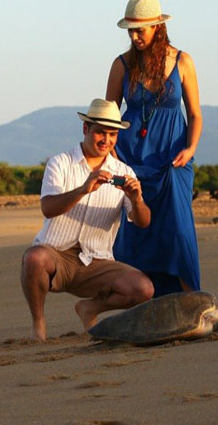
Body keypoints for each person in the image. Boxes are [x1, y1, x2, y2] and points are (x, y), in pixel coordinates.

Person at [21, 99, 154, 342]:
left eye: (112, 134)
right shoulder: (60, 163)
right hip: (56, 254)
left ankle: (89, 309)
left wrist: (136, 200)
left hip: (97, 260)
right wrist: (83, 189)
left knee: (144, 289)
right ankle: (38, 322)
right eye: (100, 132)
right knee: (33, 258)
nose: (106, 140)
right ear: (86, 130)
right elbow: (48, 208)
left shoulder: (124, 172)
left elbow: (143, 221)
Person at [106, 0, 203, 296]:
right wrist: (112, 156)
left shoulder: (182, 61)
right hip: (131, 159)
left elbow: (196, 114)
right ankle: (141, 297)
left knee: (178, 229)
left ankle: (192, 297)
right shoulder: (122, 65)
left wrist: (190, 149)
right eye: (130, 31)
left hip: (173, 159)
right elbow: (108, 117)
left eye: (140, 30)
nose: (134, 37)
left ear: (157, 27)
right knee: (135, 232)